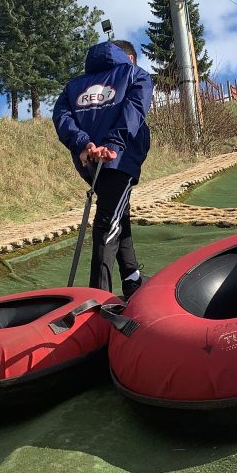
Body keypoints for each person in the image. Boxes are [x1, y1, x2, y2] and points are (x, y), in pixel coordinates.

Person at [53, 40, 151, 298]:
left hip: (90, 162)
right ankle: (100, 298)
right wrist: (113, 145)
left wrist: (84, 144)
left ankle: (131, 278)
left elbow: (62, 118)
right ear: (129, 58)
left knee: (118, 213)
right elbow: (135, 110)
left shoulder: (73, 87)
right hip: (120, 158)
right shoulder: (135, 74)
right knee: (108, 223)